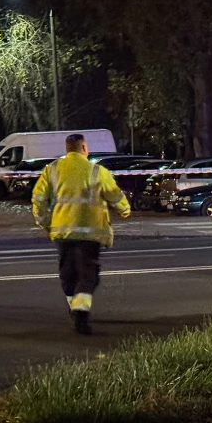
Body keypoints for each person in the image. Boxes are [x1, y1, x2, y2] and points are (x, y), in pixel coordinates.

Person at [31, 134, 132, 335]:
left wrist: (45, 224)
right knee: (88, 277)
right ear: (84, 148)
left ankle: (74, 306)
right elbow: (114, 194)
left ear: (67, 148)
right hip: (89, 234)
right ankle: (80, 312)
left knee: (68, 274)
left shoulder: (51, 170)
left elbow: (38, 199)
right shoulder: (96, 171)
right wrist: (124, 209)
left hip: (62, 233)